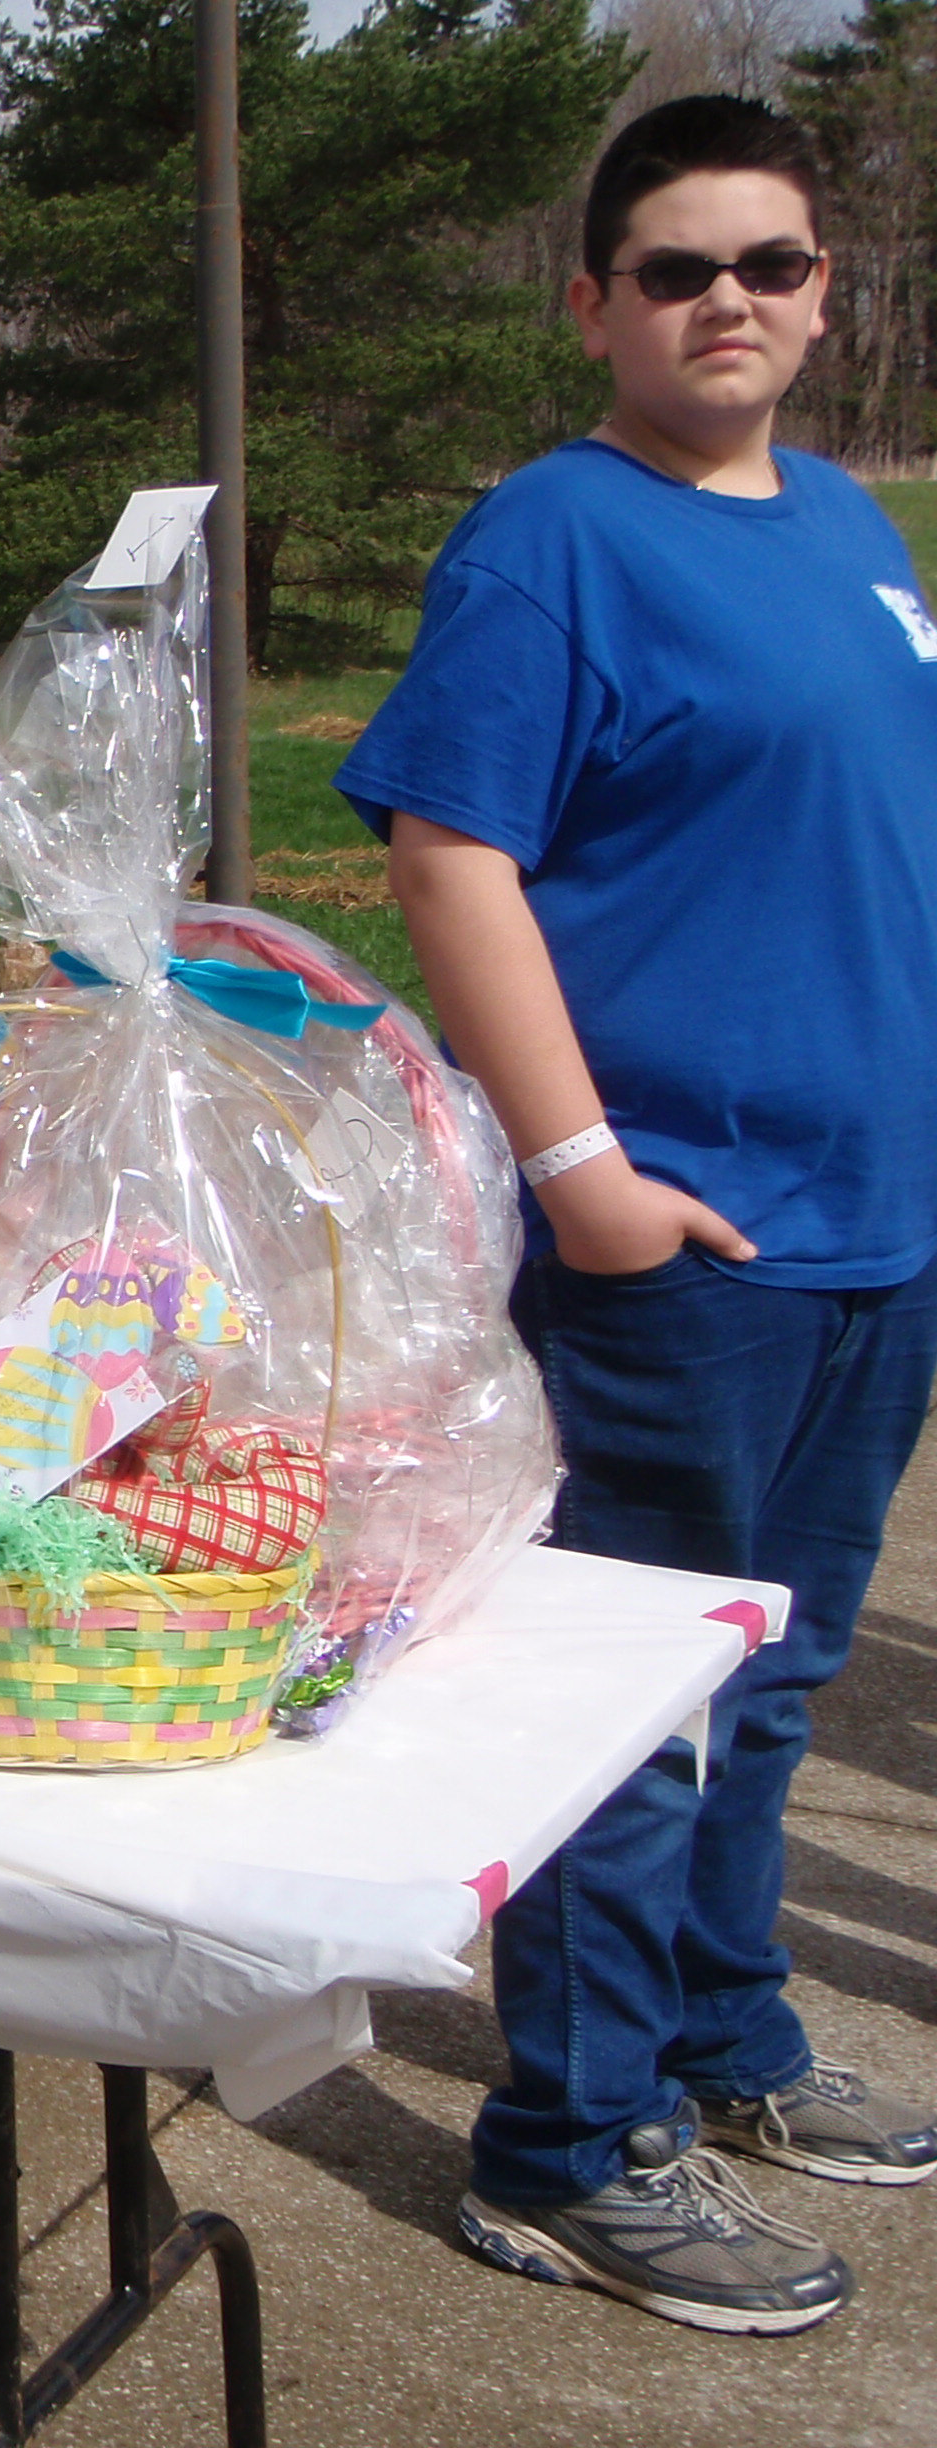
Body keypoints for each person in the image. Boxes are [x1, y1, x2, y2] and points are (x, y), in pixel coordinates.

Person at [338, 95, 937, 2336]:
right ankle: (567, 2146)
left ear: (822, 293)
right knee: (627, 1715)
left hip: (869, 1234)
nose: (727, 302)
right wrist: (580, 1175)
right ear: (595, 303)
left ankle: (720, 2032)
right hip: (679, 1246)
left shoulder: (849, 523)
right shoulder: (552, 541)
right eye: (676, 269)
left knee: (768, 1683)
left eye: (769, 263)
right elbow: (448, 855)